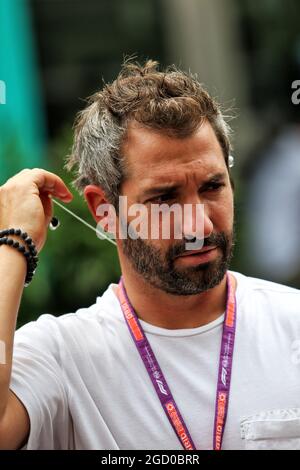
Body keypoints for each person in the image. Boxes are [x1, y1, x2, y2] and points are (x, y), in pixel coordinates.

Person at [0, 60, 300, 451]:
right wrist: (13, 244)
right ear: (104, 211)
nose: (200, 227)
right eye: (165, 198)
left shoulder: (292, 324)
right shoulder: (62, 356)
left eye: (212, 187)